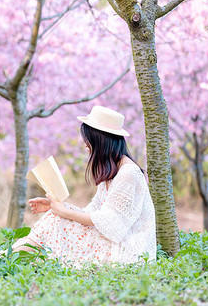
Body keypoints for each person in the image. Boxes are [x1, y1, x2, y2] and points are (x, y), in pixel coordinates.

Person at [12, 105, 157, 267]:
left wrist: (65, 212)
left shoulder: (128, 173)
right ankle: (8, 255)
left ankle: (6, 257)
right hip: (111, 240)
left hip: (125, 250)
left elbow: (111, 223)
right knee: (55, 219)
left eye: (88, 141)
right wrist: (58, 207)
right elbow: (92, 212)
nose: (86, 145)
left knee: (55, 221)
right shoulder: (113, 171)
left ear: (101, 141)